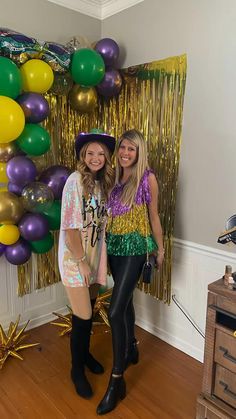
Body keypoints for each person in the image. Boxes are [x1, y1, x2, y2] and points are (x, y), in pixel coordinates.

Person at [97, 129, 164, 415]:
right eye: (123, 148)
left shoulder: (147, 178)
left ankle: (117, 380)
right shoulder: (114, 176)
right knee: (125, 305)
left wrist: (160, 249)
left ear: (139, 152)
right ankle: (132, 346)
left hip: (136, 247)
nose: (125, 153)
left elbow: (154, 215)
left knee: (114, 310)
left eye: (131, 149)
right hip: (113, 247)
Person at [58, 129, 115, 399]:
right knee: (83, 317)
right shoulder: (74, 181)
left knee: (89, 310)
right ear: (83, 155)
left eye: (100, 153)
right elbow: (70, 229)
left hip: (93, 257)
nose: (96, 157)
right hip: (75, 257)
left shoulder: (101, 183)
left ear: (106, 157)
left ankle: (85, 353)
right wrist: (81, 261)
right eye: (90, 153)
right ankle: (76, 369)